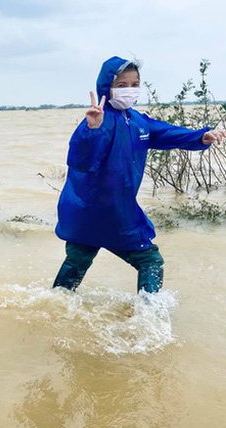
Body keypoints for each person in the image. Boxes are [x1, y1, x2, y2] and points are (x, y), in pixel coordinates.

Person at [53, 56, 226, 293]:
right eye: (122, 85)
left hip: (101, 211)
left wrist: (200, 136)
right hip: (96, 209)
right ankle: (151, 313)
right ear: (107, 87)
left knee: (76, 266)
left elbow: (165, 132)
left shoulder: (136, 120)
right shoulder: (97, 121)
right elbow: (81, 162)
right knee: (149, 260)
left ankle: (53, 308)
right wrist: (92, 130)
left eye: (134, 84)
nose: (130, 90)